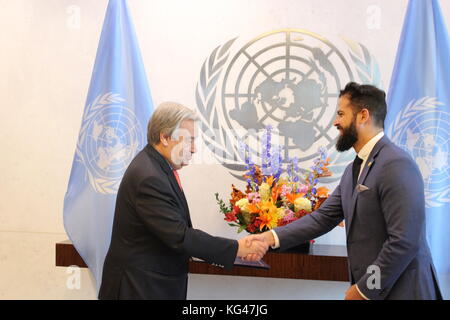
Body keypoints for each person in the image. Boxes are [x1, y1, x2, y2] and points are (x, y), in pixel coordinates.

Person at [248, 82, 442, 300]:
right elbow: (322, 218)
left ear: (363, 116)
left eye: (341, 114)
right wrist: (269, 238)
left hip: (404, 292)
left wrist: (364, 289)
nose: (335, 122)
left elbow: (404, 241)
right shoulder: (354, 169)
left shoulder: (395, 164)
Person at [98, 101, 267, 300]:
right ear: (165, 137)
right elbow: (179, 236)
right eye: (189, 140)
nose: (194, 149)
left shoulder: (157, 168)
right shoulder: (149, 177)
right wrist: (237, 248)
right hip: (137, 288)